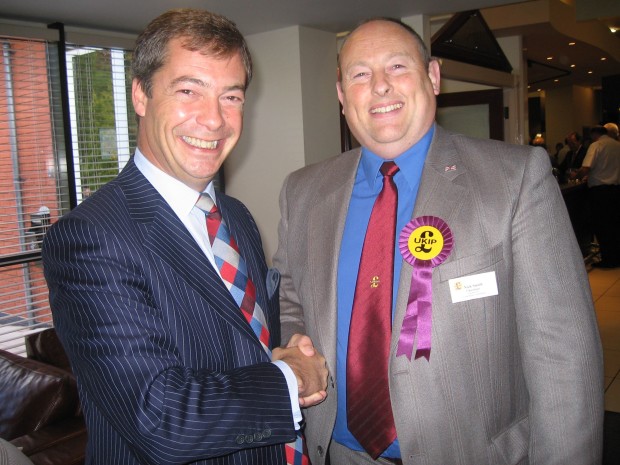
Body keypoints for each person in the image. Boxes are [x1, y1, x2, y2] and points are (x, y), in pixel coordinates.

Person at [274, 17, 604, 465]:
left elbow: (562, 351)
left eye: (396, 67)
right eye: (360, 74)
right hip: (341, 452)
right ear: (341, 95)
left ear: (432, 77)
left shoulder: (515, 178)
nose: (380, 87)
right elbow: (291, 297)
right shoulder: (304, 190)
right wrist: (299, 351)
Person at [42, 9, 327, 465]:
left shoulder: (236, 216)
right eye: (189, 90)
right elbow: (161, 420)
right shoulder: (88, 240)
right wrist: (291, 378)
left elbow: (249, 342)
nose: (214, 119)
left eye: (230, 96)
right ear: (140, 94)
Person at [572, 125, 620, 268]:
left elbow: (586, 168)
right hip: (616, 190)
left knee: (602, 226)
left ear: (594, 134)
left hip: (600, 192)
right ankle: (617, 256)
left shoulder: (596, 145)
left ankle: (608, 259)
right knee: (615, 225)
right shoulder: (617, 145)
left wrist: (577, 175)